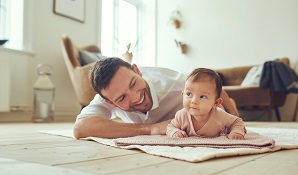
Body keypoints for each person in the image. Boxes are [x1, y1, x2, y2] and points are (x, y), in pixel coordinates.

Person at [73, 57, 239, 139]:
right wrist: (149, 129)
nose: (136, 97)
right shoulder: (108, 95)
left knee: (220, 113)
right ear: (109, 102)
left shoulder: (175, 83)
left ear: (137, 70)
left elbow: (211, 87)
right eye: (122, 98)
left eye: (133, 84)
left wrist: (233, 115)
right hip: (179, 124)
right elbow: (81, 128)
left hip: (202, 110)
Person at [166, 68, 246, 139]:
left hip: (219, 110)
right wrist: (174, 132)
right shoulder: (181, 115)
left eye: (202, 97)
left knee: (227, 115)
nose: (193, 101)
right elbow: (170, 127)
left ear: (216, 102)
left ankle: (230, 103)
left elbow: (237, 122)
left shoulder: (220, 116)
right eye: (189, 94)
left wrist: (236, 132)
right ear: (183, 95)